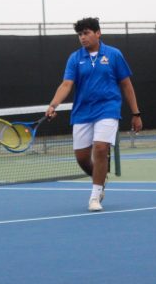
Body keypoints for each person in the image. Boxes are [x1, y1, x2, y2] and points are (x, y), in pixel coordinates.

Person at [45, 17, 142, 212]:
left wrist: (136, 113)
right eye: (80, 34)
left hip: (108, 109)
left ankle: (95, 196)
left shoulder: (114, 55)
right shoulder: (75, 58)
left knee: (100, 148)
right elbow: (66, 84)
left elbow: (126, 85)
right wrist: (53, 104)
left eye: (87, 33)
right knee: (82, 158)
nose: (83, 37)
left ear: (98, 33)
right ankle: (100, 178)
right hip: (82, 112)